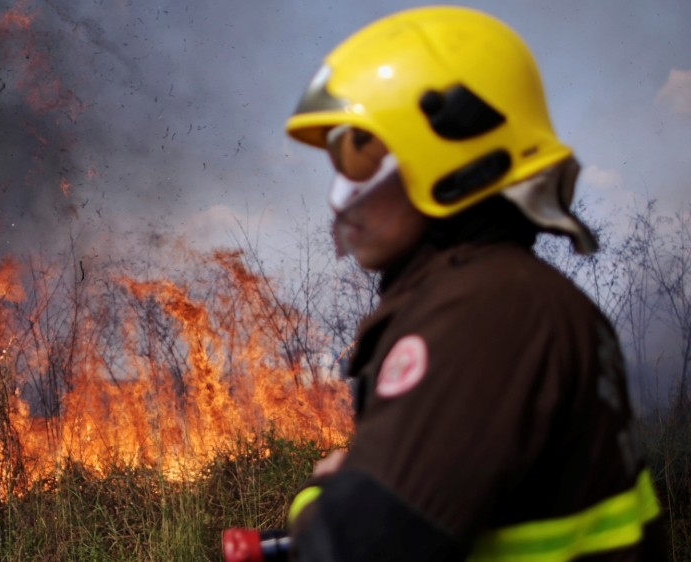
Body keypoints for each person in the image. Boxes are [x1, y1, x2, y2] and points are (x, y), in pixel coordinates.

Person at [282, 6, 668, 561]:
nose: (341, 192)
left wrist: (318, 500)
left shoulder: (486, 314)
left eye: (358, 153)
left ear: (448, 151)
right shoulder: (514, 296)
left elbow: (353, 549)